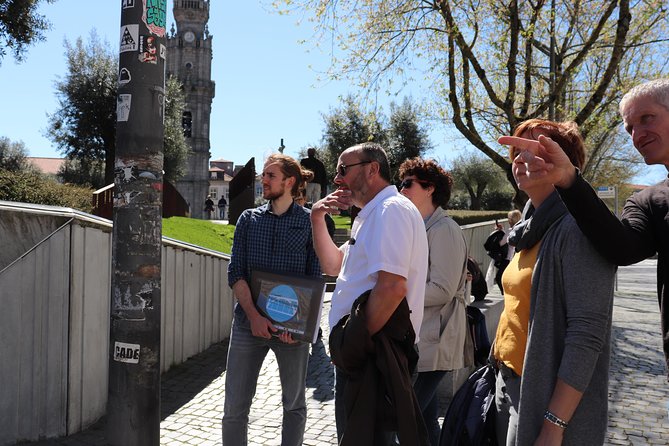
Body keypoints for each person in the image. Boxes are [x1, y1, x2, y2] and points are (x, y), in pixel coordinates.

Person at [501, 78, 669, 381]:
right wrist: (569, 179)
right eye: (629, 128)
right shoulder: (649, 202)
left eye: (647, 118)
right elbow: (621, 248)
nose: (637, 134)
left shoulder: (569, 230)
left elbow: (585, 332)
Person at [492, 119, 615, 445]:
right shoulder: (530, 227)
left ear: (566, 162)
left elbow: (587, 336)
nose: (520, 159)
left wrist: (554, 424)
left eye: (535, 150)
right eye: (518, 151)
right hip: (509, 380)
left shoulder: (578, 229)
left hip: (542, 399)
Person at [310, 142, 429, 444]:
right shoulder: (371, 214)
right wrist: (316, 216)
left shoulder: (390, 211)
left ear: (372, 169)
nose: (337, 178)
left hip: (372, 358)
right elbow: (333, 265)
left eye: (343, 170)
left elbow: (391, 288)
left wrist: (351, 345)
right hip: (367, 356)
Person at [222, 154, 321, 446]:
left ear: (290, 181)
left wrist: (299, 330)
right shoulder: (248, 220)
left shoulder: (310, 223)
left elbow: (314, 278)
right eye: (263, 175)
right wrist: (253, 316)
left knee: (294, 405)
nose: (262, 180)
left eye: (270, 175)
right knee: (234, 409)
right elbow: (235, 272)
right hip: (246, 326)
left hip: (292, 333)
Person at [398, 157, 469, 446]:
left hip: (436, 340)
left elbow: (442, 288)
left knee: (406, 419)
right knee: (424, 424)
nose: (400, 189)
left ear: (429, 188)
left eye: (407, 184)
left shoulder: (445, 229)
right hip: (421, 338)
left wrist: (395, 294)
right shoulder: (419, 226)